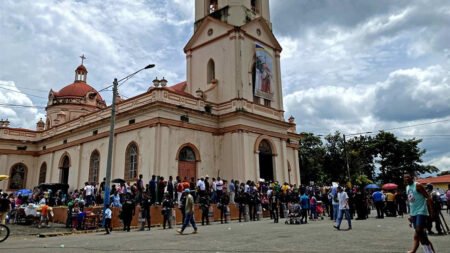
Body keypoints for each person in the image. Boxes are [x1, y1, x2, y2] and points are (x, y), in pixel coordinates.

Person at [404, 173, 435, 253]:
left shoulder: (418, 185)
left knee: (418, 231)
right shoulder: (407, 187)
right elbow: (411, 202)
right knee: (420, 233)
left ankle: (420, 250)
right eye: (405, 177)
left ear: (412, 177)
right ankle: (428, 251)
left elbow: (428, 197)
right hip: (414, 212)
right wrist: (410, 215)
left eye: (408, 177)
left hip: (421, 211)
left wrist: (431, 211)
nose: (406, 178)